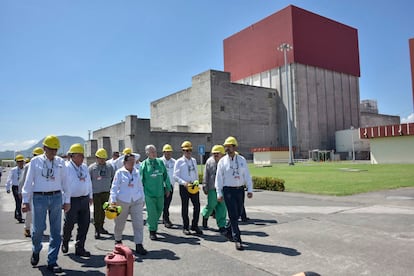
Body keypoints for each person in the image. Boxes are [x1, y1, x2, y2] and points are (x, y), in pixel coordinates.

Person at [22, 135, 71, 273]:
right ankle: (36, 249)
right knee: (38, 229)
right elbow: (28, 182)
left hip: (56, 197)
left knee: (56, 231)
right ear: (44, 148)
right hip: (39, 198)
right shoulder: (35, 162)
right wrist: (25, 200)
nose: (54, 152)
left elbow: (65, 182)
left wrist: (67, 200)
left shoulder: (60, 162)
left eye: (55, 149)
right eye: (51, 149)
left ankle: (52, 261)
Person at [215, 136, 253, 251]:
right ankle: (238, 239)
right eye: (226, 146)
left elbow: (247, 175)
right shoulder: (222, 161)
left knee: (239, 212)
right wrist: (219, 193)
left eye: (229, 146)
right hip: (228, 190)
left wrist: (250, 189)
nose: (227, 148)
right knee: (232, 215)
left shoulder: (241, 160)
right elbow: (219, 178)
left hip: (240, 190)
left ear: (234, 147)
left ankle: (227, 231)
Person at [109, 154, 147, 255]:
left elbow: (140, 187)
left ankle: (139, 244)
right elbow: (114, 188)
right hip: (122, 200)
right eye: (130, 160)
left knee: (138, 223)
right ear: (125, 162)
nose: (132, 163)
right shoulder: (119, 173)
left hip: (136, 200)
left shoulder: (137, 172)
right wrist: (113, 200)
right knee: (120, 222)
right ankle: (118, 240)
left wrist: (143, 199)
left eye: (133, 161)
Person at [62, 143, 93, 257]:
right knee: (69, 223)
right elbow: (63, 186)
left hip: (84, 199)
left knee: (84, 224)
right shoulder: (66, 167)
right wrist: (65, 201)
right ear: (72, 156)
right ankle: (65, 241)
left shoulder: (84, 167)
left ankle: (80, 247)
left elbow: (89, 182)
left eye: (82, 155)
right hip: (72, 200)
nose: (82, 158)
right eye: (80, 155)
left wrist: (90, 196)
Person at [140, 145, 171, 240]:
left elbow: (166, 176)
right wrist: (140, 194)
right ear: (147, 153)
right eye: (152, 151)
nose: (154, 153)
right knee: (152, 212)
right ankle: (152, 231)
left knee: (159, 210)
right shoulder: (144, 164)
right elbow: (140, 180)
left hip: (160, 192)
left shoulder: (160, 162)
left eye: (155, 151)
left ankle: (151, 223)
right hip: (149, 194)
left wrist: (168, 188)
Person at [173, 141, 203, 235]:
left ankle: (195, 225)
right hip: (184, 186)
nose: (188, 152)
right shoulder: (179, 162)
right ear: (183, 151)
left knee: (197, 206)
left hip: (194, 185)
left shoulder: (193, 160)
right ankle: (186, 227)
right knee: (185, 207)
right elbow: (175, 176)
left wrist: (197, 184)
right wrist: (183, 183)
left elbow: (195, 173)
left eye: (189, 150)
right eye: (186, 150)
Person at [89, 148, 115, 239]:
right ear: (96, 158)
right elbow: (88, 181)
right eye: (100, 158)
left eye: (104, 158)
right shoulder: (92, 168)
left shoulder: (109, 167)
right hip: (96, 193)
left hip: (106, 192)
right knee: (97, 211)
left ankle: (101, 227)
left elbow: (113, 178)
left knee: (104, 210)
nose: (102, 160)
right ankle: (97, 229)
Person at [19, 147, 44, 237]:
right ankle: (27, 228)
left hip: (40, 192)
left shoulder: (44, 165)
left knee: (41, 212)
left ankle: (39, 229)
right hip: (30, 192)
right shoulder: (28, 166)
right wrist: (21, 192)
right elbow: (23, 180)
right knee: (29, 212)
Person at [201, 145, 227, 233]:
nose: (215, 155)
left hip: (223, 188)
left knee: (222, 208)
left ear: (222, 154)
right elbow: (206, 175)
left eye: (217, 153)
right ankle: (205, 217)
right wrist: (205, 185)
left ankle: (221, 225)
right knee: (211, 205)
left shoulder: (226, 162)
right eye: (214, 153)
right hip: (212, 188)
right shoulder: (209, 161)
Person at [160, 144, 176, 228]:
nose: (168, 154)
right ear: (163, 152)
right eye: (167, 152)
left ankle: (165, 218)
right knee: (161, 203)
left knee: (167, 203)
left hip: (170, 186)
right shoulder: (159, 161)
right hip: (161, 186)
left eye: (170, 152)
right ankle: (164, 219)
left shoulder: (174, 162)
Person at [6, 154, 25, 223]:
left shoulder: (26, 169)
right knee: (18, 201)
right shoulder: (13, 170)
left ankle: (16, 215)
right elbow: (9, 179)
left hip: (23, 187)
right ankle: (19, 216)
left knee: (20, 202)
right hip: (15, 187)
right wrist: (7, 188)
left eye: (21, 161)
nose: (20, 163)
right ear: (16, 162)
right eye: (18, 161)